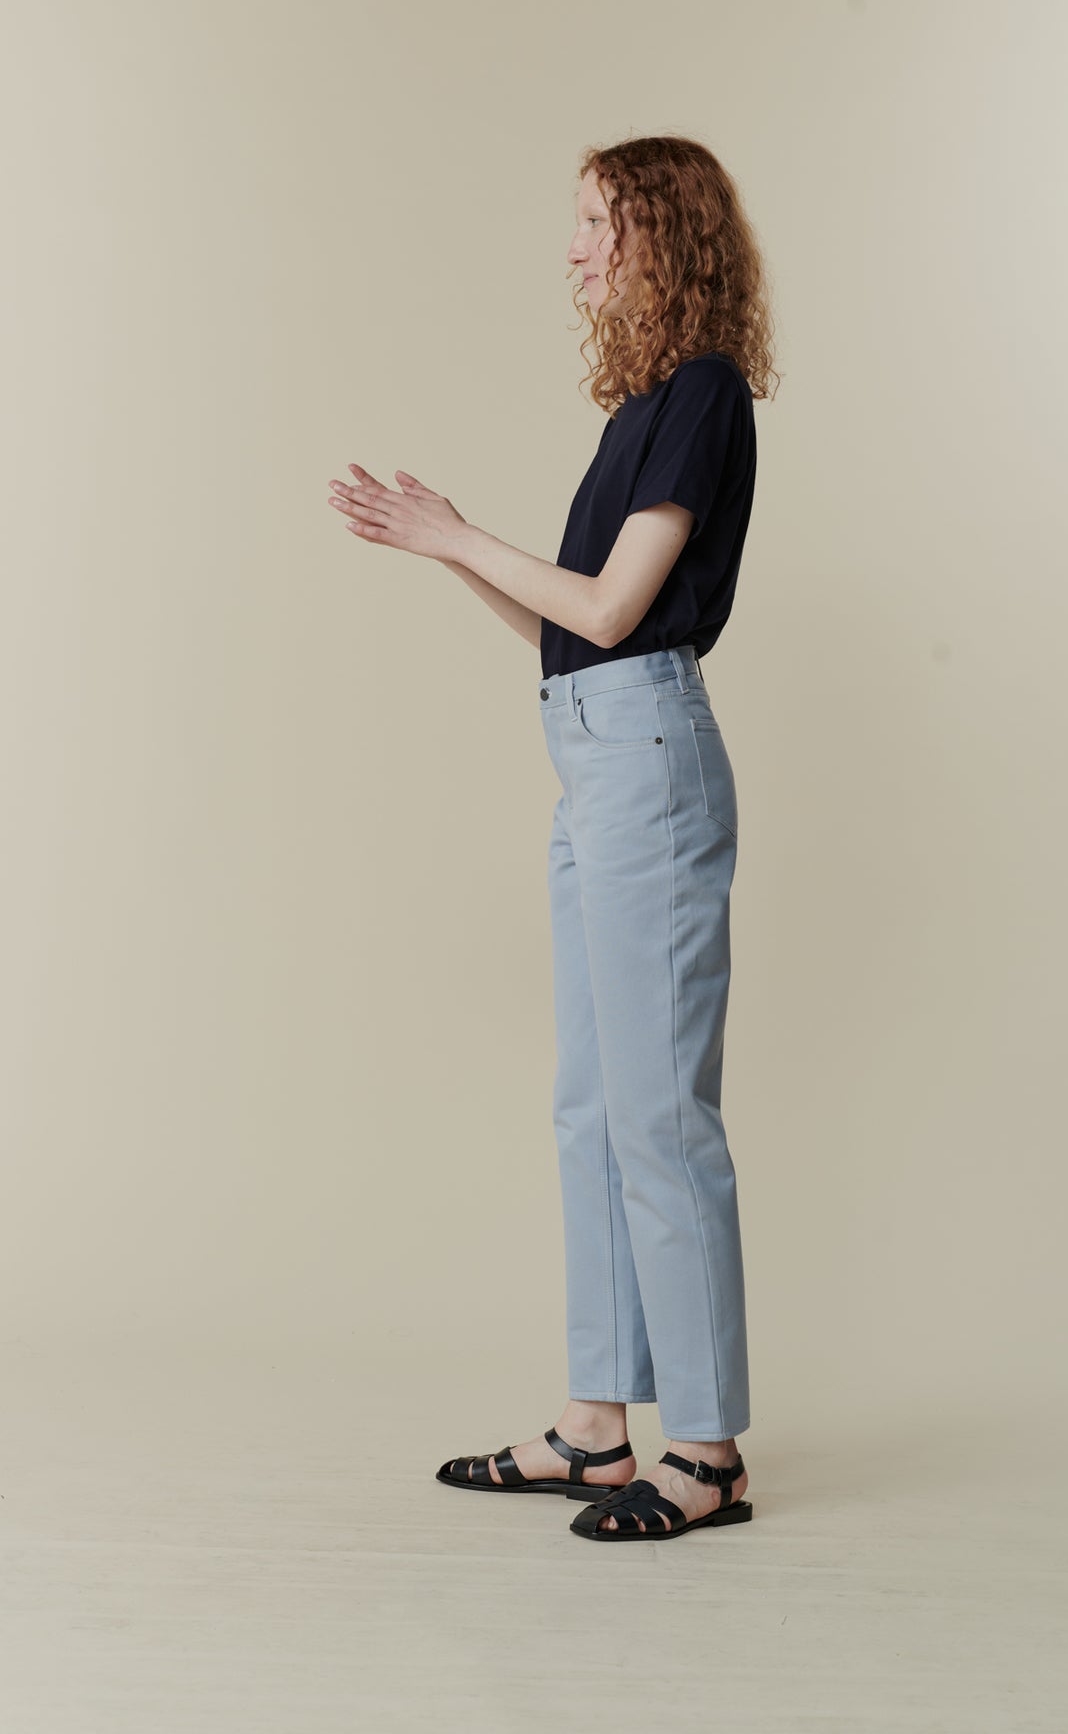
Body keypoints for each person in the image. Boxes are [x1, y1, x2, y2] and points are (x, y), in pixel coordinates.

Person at [326, 134, 779, 1542]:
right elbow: (564, 629)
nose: (575, 247)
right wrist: (446, 545)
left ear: (663, 236)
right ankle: (597, 1427)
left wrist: (462, 535)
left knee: (660, 1114)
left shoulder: (704, 395)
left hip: (647, 764)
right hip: (589, 755)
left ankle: (704, 1452)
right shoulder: (641, 403)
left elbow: (611, 610)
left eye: (596, 221)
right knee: (592, 1106)